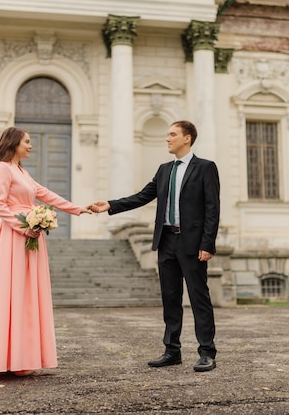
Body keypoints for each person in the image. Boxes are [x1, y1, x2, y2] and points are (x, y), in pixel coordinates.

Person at [90, 120, 220, 372]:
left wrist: (208, 243)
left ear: (187, 139)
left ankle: (207, 352)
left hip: (192, 243)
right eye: (167, 134)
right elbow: (143, 196)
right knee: (170, 298)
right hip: (166, 241)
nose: (167, 138)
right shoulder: (164, 170)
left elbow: (212, 208)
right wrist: (110, 204)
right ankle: (172, 350)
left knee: (198, 298)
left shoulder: (205, 168)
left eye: (172, 134)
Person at [0, 126, 91, 376]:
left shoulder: (22, 172)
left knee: (27, 296)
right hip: (14, 238)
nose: (31, 145)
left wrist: (77, 209)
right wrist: (24, 226)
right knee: (13, 292)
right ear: (14, 143)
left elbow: (45, 194)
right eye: (27, 142)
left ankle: (22, 358)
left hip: (32, 238)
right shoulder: (2, 168)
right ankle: (5, 359)